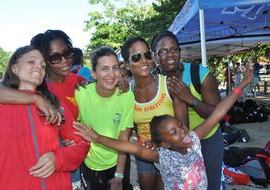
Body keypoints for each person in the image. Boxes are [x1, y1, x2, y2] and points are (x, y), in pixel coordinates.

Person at [74, 65, 253, 190]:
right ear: (165, 144)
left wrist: (242, 84)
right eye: (174, 132)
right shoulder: (162, 156)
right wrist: (98, 138)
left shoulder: (194, 140)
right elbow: (130, 146)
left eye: (180, 126)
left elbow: (218, 113)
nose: (183, 131)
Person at [0, 29, 88, 189]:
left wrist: (58, 159)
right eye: (31, 62)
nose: (38, 67)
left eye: (42, 64)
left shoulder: (56, 106)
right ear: (14, 68)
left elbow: (81, 143)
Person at [151, 31, 223, 189]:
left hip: (207, 138)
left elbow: (218, 114)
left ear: (180, 52)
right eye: (163, 51)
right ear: (155, 57)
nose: (170, 54)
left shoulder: (199, 74)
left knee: (210, 184)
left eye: (174, 49)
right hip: (176, 143)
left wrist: (191, 99)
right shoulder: (153, 81)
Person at [121, 37, 188, 190]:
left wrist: (160, 146)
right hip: (144, 155)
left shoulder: (170, 85)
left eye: (147, 55)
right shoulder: (126, 94)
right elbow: (127, 130)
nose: (144, 61)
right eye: (136, 57)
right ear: (126, 64)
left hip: (171, 153)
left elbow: (184, 129)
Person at [75, 46, 134, 190]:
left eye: (115, 68)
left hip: (118, 162)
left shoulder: (126, 96)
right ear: (93, 74)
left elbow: (124, 139)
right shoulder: (80, 94)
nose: (111, 74)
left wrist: (119, 176)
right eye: (104, 69)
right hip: (90, 164)